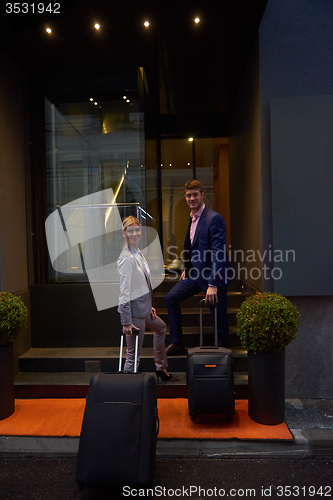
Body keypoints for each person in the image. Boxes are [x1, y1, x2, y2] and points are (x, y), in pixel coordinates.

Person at [165, 180, 233, 354]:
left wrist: (213, 284)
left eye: (195, 194)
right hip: (196, 274)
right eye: (188, 195)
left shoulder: (213, 218)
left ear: (202, 195)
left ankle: (222, 353)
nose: (191, 198)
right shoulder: (192, 217)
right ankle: (177, 342)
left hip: (213, 277)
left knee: (218, 318)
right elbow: (191, 246)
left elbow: (219, 253)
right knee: (170, 298)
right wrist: (188, 267)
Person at [117, 216, 172, 382]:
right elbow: (124, 292)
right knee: (133, 356)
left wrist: (150, 306)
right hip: (134, 314)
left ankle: (161, 368)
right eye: (130, 230)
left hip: (144, 309)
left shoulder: (138, 252)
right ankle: (126, 390)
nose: (134, 234)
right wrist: (126, 322)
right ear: (124, 233)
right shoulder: (126, 258)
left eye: (137, 230)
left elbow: (144, 284)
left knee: (160, 327)